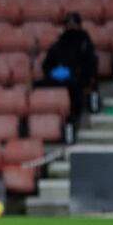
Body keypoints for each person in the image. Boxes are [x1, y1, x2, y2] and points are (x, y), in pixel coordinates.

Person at [36, 12, 98, 143]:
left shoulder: (85, 42)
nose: (71, 27)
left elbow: (91, 63)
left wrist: (78, 73)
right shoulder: (59, 43)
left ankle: (71, 124)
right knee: (38, 86)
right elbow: (47, 65)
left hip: (78, 78)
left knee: (74, 88)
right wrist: (59, 73)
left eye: (73, 24)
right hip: (60, 76)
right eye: (68, 24)